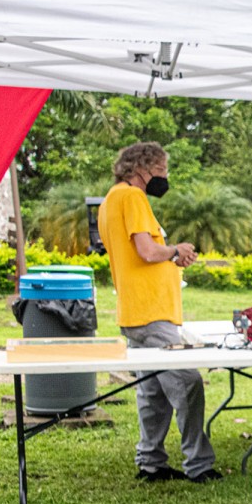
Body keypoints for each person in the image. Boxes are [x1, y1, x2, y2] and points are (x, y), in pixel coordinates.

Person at [99, 141, 220, 483]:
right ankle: (199, 464)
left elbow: (142, 252)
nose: (165, 178)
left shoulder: (111, 199)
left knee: (152, 389)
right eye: (162, 171)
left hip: (134, 310)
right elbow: (147, 251)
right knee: (188, 382)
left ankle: (151, 462)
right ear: (142, 168)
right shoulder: (133, 197)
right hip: (151, 310)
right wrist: (175, 249)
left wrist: (171, 255)